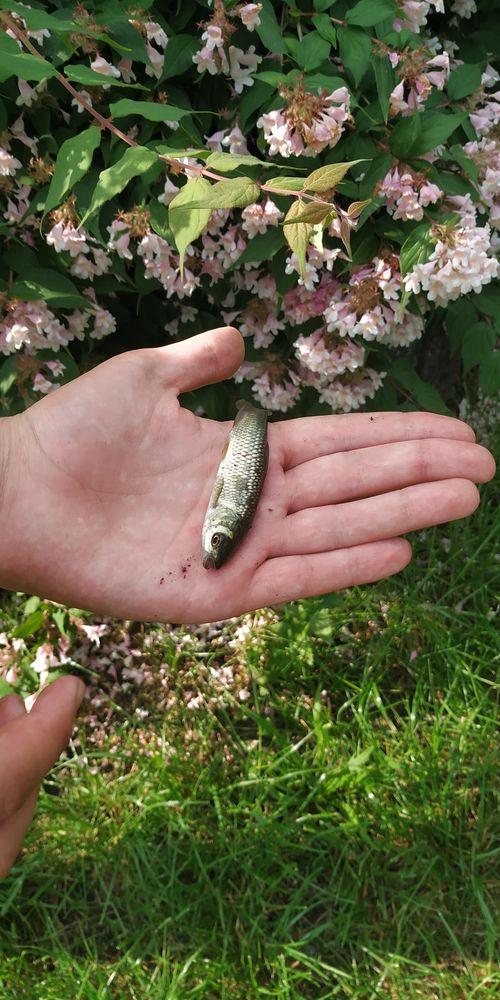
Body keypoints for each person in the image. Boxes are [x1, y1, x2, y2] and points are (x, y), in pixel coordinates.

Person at [0, 326, 495, 878]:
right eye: (216, 545)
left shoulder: (220, 521)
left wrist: (17, 474)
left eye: (216, 546)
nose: (211, 553)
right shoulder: (224, 513)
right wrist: (18, 472)